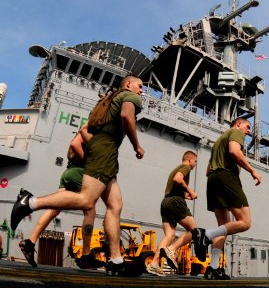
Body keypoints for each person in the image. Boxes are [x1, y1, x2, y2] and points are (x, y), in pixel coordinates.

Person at [11, 75, 145, 275]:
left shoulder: (106, 102)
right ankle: (30, 203)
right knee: (86, 201)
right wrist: (137, 145)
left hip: (104, 151)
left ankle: (116, 260)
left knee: (115, 205)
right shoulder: (130, 97)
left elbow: (85, 129)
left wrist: (93, 147)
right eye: (140, 86)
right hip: (106, 150)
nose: (142, 90)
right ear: (128, 84)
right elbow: (127, 116)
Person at [193, 117, 262, 280]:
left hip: (213, 180)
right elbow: (234, 151)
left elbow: (207, 170)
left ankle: (213, 268)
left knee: (224, 227)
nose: (249, 131)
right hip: (227, 176)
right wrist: (253, 171)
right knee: (245, 222)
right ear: (238, 124)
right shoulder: (236, 132)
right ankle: (206, 235)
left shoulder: (218, 141)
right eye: (247, 126)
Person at [18, 124, 93, 268]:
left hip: (68, 172)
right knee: (90, 209)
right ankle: (86, 254)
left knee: (54, 209)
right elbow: (75, 144)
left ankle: (30, 242)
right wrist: (89, 163)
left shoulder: (82, 131)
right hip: (79, 172)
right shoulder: (90, 132)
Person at [146, 151, 199, 276]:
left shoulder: (176, 168)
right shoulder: (185, 167)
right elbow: (178, 179)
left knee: (169, 235)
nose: (195, 164)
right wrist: (191, 191)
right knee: (194, 231)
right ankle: (172, 249)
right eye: (195, 161)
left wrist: (186, 195)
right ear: (190, 159)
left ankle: (154, 263)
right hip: (175, 201)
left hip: (166, 202)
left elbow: (174, 186)